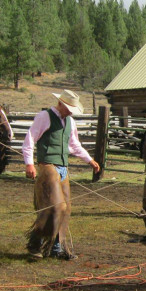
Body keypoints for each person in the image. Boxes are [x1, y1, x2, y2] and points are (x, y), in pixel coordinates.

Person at [22, 90, 100, 260]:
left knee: (66, 209)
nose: (71, 112)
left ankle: (57, 247)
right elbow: (30, 139)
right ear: (62, 105)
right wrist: (29, 163)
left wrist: (89, 160)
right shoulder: (44, 116)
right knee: (56, 207)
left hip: (63, 168)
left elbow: (74, 145)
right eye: (70, 108)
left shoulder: (70, 121)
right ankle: (35, 242)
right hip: (48, 165)